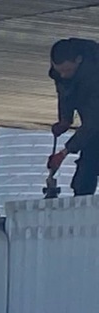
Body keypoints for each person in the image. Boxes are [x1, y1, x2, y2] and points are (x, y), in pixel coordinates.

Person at [49, 38, 99, 195]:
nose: (63, 75)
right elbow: (65, 95)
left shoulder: (94, 77)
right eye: (60, 71)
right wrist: (65, 120)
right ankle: (81, 197)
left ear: (79, 60)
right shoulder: (62, 74)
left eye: (67, 70)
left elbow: (93, 122)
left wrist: (65, 152)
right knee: (87, 167)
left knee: (89, 162)